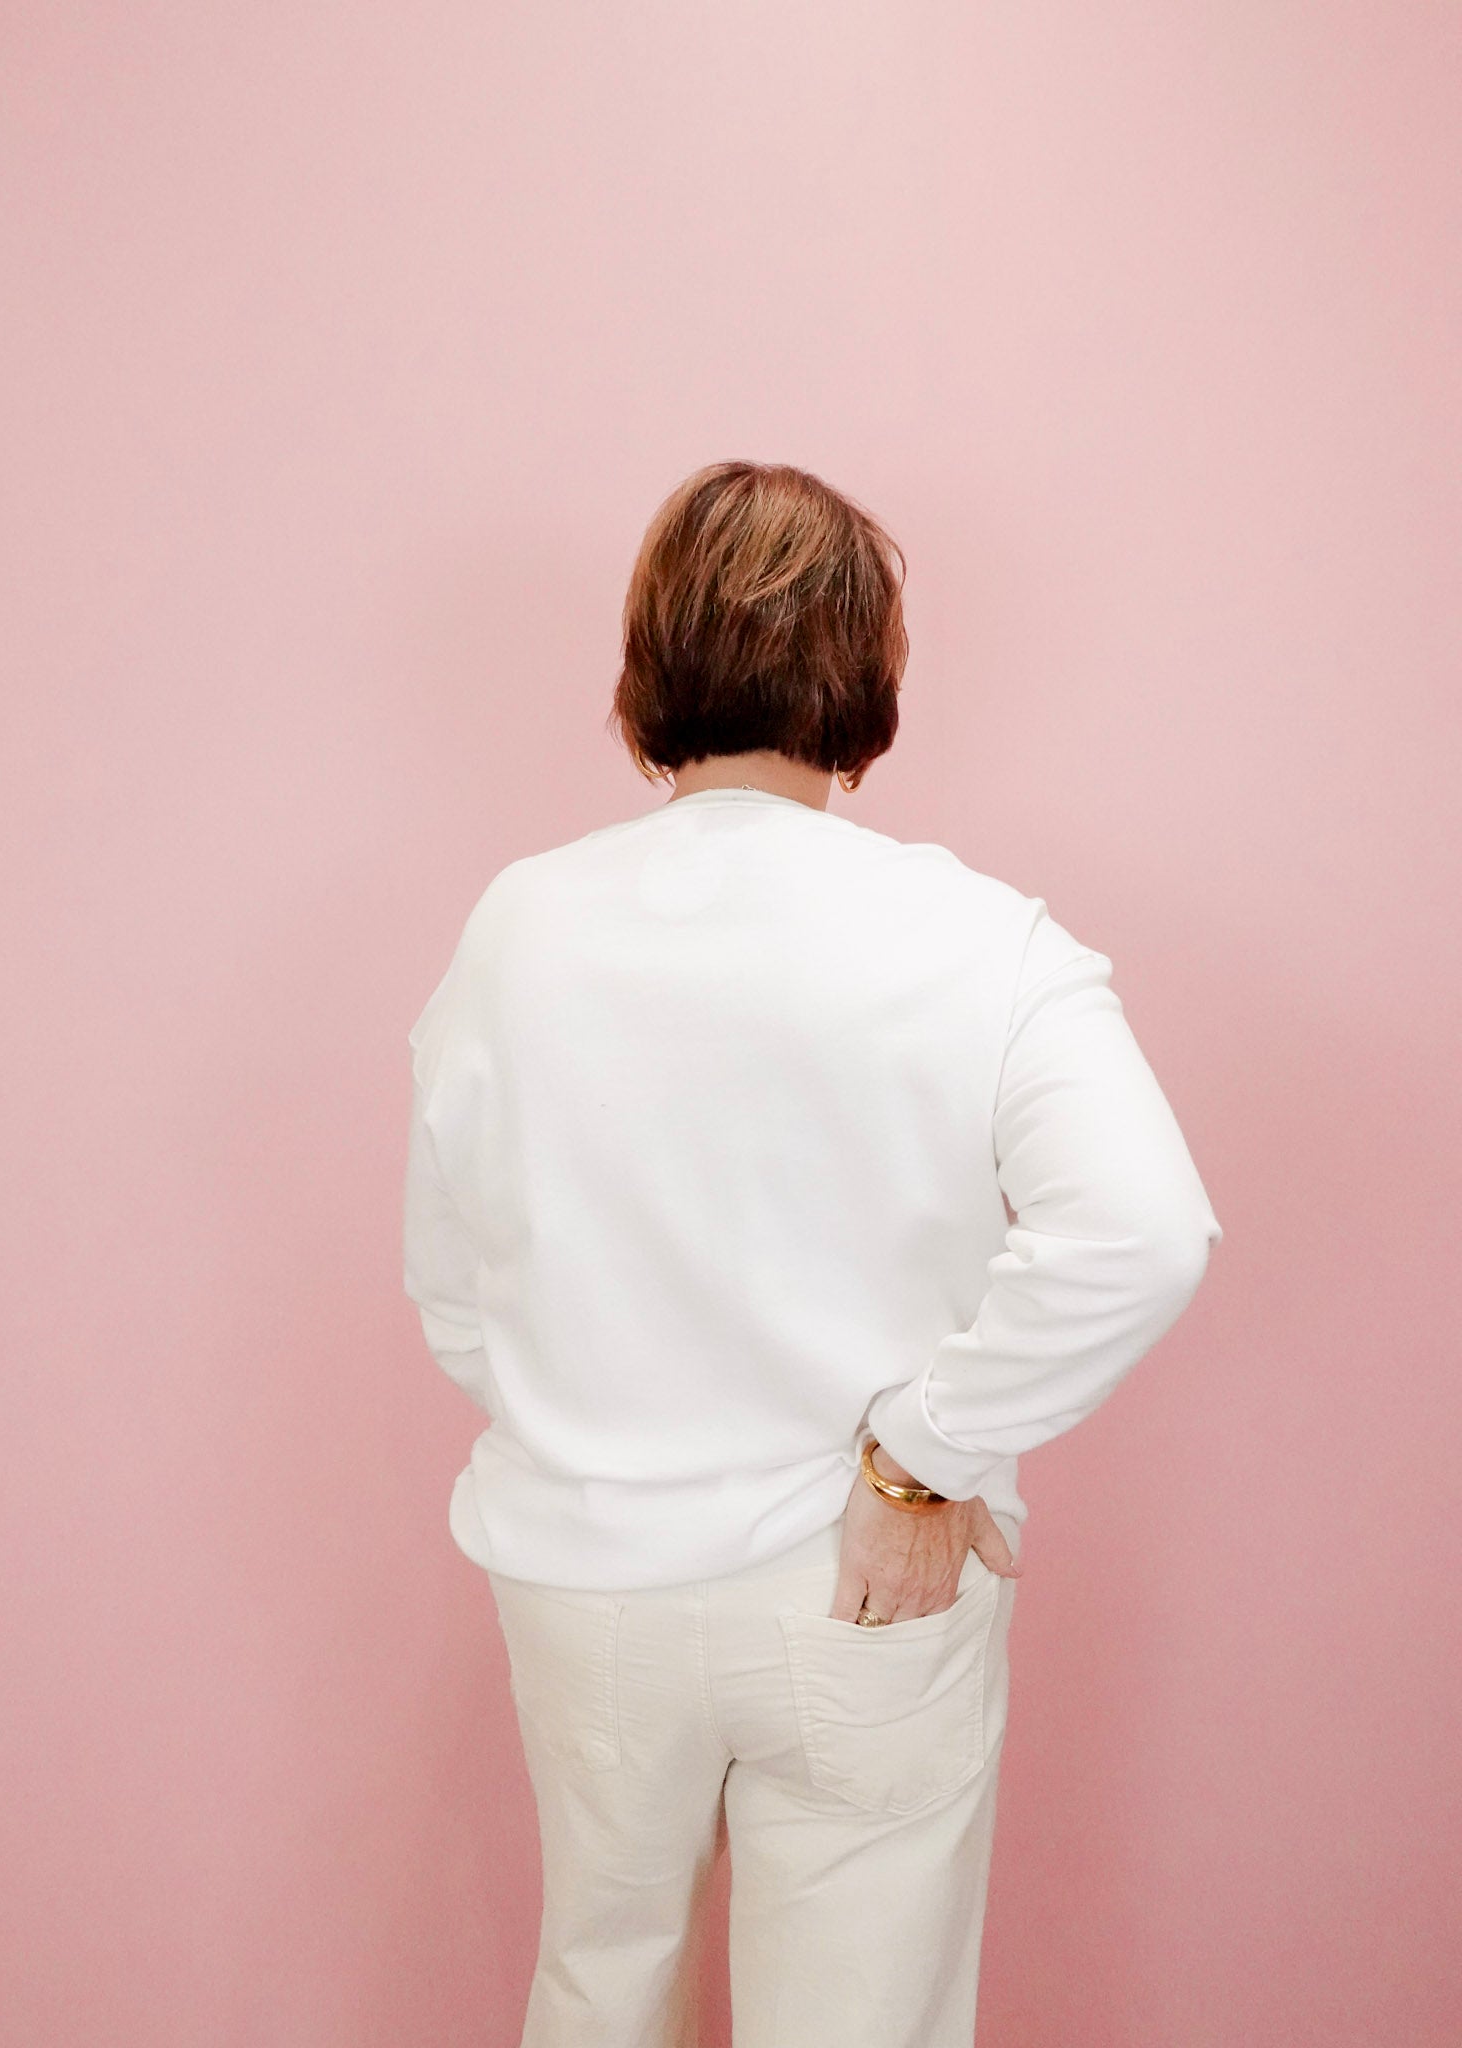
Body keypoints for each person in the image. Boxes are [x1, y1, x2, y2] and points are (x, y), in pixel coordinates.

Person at [402, 460, 1223, 2047]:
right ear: (871, 671)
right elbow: (1142, 1230)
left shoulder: (520, 925)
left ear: (648, 663)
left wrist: (592, 1412)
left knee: (596, 1975)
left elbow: (452, 1281)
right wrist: (923, 1457)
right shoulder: (983, 937)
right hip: (865, 1583)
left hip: (586, 1579)